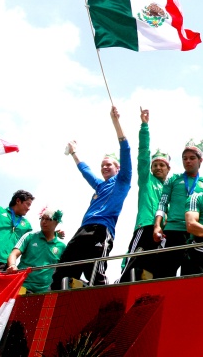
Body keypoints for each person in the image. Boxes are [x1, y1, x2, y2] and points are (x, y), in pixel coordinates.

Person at [51, 106, 132, 289]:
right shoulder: (99, 185)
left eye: (109, 165)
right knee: (64, 269)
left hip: (101, 230)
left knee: (94, 271)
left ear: (118, 168)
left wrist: (116, 122)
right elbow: (85, 171)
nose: (104, 167)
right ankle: (58, 300)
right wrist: (73, 152)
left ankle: (104, 301)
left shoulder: (122, 180)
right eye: (102, 165)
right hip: (83, 229)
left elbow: (125, 150)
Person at [119, 108, 170, 283]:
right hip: (146, 226)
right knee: (133, 264)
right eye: (155, 164)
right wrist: (144, 127)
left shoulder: (170, 189)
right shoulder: (147, 180)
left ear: (168, 169)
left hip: (163, 233)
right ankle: (118, 291)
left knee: (153, 272)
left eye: (161, 165)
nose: (157, 167)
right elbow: (143, 154)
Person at [152, 139, 203, 278]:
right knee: (162, 275)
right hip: (173, 232)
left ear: (201, 160)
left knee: (191, 277)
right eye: (185, 158)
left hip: (195, 234)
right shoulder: (173, 179)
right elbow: (162, 203)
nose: (188, 161)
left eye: (192, 158)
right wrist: (157, 226)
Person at [7, 206, 66, 293]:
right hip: (22, 285)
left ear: (56, 223)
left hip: (45, 290)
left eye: (48, 219)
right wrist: (12, 265)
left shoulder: (62, 246)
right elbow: (13, 254)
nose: (43, 222)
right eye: (42, 219)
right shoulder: (30, 236)